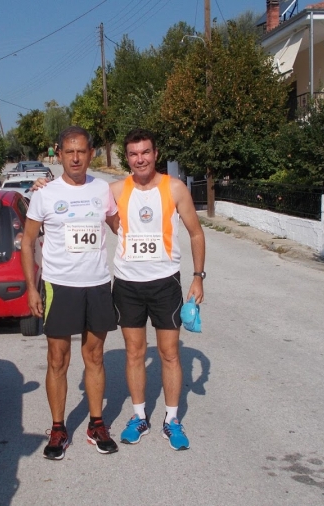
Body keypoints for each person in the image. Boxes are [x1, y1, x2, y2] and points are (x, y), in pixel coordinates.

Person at [20, 126, 120, 460]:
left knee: (95, 356)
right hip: (59, 285)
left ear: (91, 154)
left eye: (81, 151)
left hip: (97, 284)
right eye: (69, 151)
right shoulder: (44, 194)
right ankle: (58, 428)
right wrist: (31, 287)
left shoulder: (102, 189)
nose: (75, 158)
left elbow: (120, 226)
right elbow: (27, 242)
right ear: (59, 154)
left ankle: (96, 424)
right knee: (57, 359)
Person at [111, 128, 205, 451]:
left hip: (165, 284)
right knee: (135, 352)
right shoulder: (114, 190)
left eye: (146, 152)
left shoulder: (175, 188)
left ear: (155, 154)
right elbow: (75, 194)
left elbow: (196, 233)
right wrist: (43, 185)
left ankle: (172, 419)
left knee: (170, 353)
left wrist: (198, 277)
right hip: (127, 284)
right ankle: (139, 417)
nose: (140, 159)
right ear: (127, 158)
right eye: (134, 154)